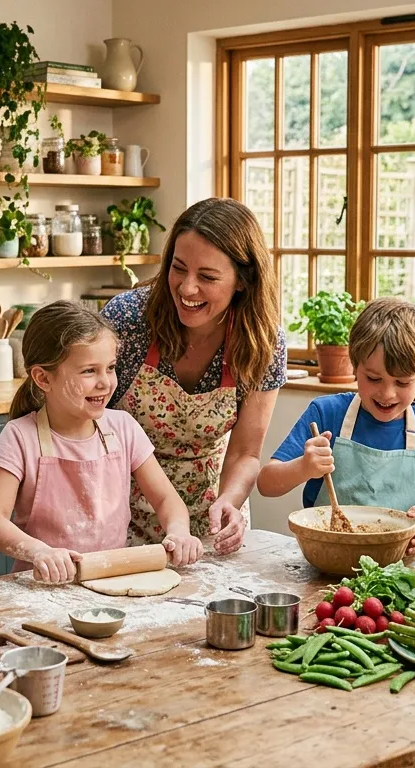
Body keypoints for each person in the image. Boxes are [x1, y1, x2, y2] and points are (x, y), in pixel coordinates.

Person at [103, 197, 286, 554]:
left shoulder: (262, 342)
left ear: (242, 281)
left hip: (210, 524)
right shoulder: (129, 320)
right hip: (118, 517)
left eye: (207, 277)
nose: (187, 288)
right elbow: (85, 426)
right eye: (178, 268)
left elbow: (245, 453)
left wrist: (230, 501)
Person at [0, 301, 203, 582]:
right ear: (43, 378)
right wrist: (40, 552)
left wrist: (179, 531)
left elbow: (166, 498)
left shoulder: (123, 428)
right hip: (44, 586)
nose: (105, 382)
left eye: (110, 368)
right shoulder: (20, 437)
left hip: (111, 581)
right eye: (89, 371)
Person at [257, 297, 415, 553]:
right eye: (373, 378)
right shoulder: (327, 414)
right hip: (326, 559)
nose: (387, 393)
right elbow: (266, 484)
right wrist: (303, 467)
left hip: (398, 570)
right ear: (354, 365)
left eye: (402, 383)